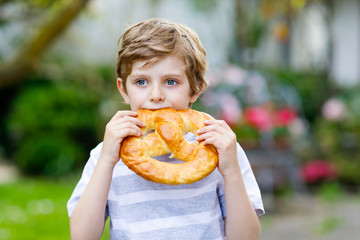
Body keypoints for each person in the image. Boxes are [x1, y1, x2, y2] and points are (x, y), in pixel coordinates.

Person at [67, 18, 264, 240]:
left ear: (195, 89)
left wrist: (232, 172)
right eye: (141, 82)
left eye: (171, 82)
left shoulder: (219, 148)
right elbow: (82, 236)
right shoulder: (106, 155)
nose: (156, 95)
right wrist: (105, 163)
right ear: (124, 89)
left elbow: (246, 237)